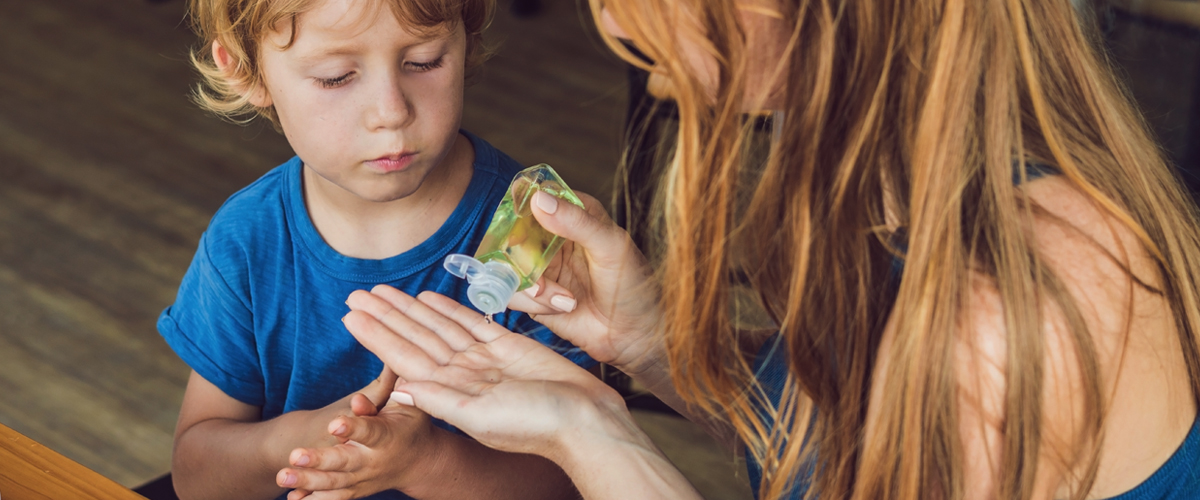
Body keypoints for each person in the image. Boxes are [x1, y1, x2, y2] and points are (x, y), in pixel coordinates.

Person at [283, 0, 1200, 498]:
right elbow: (841, 452)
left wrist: (597, 443)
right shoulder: (872, 187)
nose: (609, 22)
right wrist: (652, 348)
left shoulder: (1009, 307)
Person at [156, 0, 595, 499]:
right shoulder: (246, 238)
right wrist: (297, 440)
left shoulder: (532, 238)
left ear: (467, 41)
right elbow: (196, 478)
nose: (392, 112)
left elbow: (580, 476)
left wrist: (425, 463)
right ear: (245, 72)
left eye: (424, 61)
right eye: (336, 76)